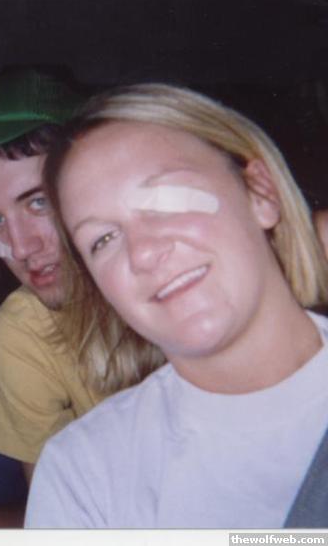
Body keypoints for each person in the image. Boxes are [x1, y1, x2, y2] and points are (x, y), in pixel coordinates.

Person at [27, 83, 328, 528]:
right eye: (103, 239)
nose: (144, 253)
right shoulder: (84, 473)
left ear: (260, 194)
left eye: (166, 198)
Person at [0, 67, 157, 527]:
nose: (20, 248)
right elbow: (59, 514)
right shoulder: (24, 329)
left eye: (38, 202)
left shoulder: (192, 274)